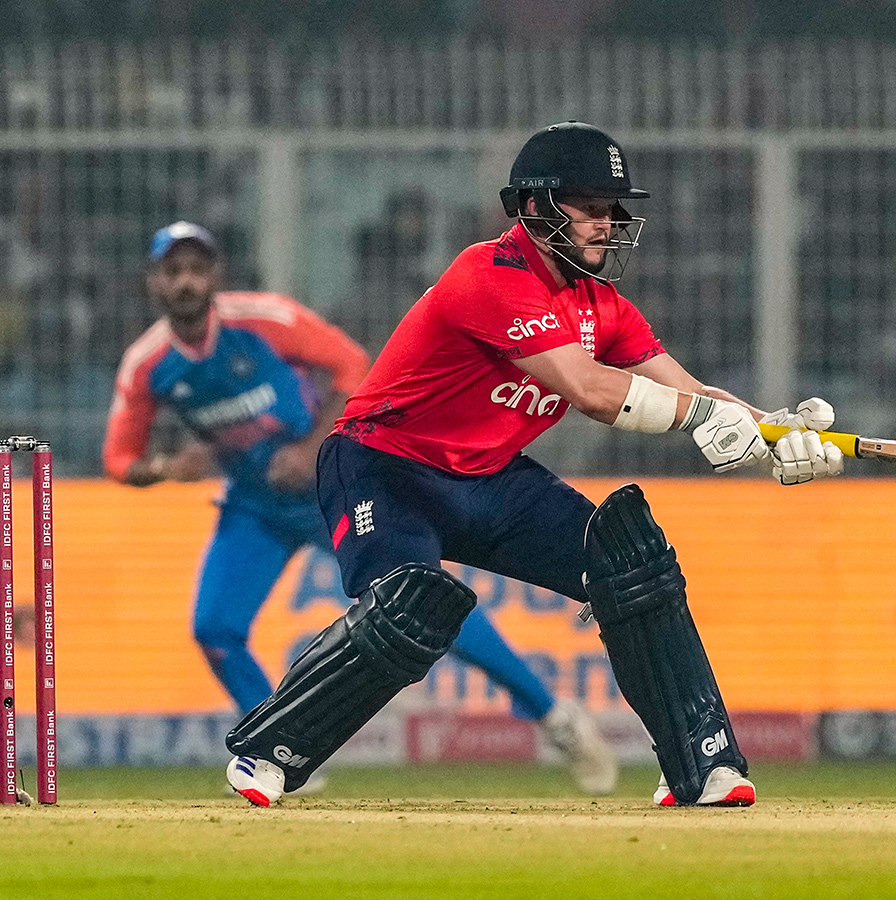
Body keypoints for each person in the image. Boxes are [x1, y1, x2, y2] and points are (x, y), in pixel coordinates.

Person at [224, 121, 844, 809]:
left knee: (630, 563)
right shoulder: (486, 274)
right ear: (535, 208)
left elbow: (689, 394)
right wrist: (709, 421)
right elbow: (593, 391)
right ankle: (270, 751)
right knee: (407, 610)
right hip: (385, 464)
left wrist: (769, 431)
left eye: (615, 209)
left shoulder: (603, 307)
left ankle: (704, 765)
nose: (609, 224)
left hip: (490, 475)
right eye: (591, 206)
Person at [104, 221, 618, 797]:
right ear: (154, 282)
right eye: (173, 272)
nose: (186, 283)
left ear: (216, 276)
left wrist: (308, 447)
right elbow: (120, 458)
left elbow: (352, 365)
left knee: (420, 601)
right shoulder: (148, 363)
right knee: (216, 629)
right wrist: (165, 470)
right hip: (256, 507)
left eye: (197, 269)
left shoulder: (264, 319)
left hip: (332, 486)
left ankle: (554, 716)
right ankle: (285, 747)